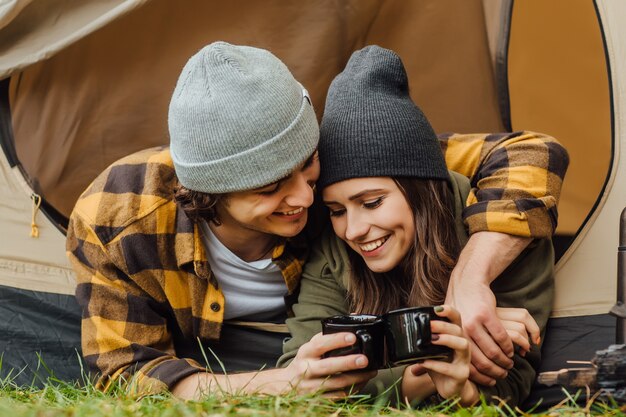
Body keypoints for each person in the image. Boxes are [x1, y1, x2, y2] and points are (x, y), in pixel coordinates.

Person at [66, 42, 567, 400]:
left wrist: (469, 282)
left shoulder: (353, 165)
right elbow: (128, 379)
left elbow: (529, 153)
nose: (306, 198)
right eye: (270, 189)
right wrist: (289, 382)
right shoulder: (117, 222)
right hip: (254, 366)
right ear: (208, 195)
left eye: (307, 164)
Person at [279, 45, 560, 407]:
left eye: (372, 202)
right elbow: (302, 373)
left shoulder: (504, 235)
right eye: (336, 210)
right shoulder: (333, 245)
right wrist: (436, 351)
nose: (353, 230)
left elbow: (510, 384)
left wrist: (463, 390)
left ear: (420, 191)